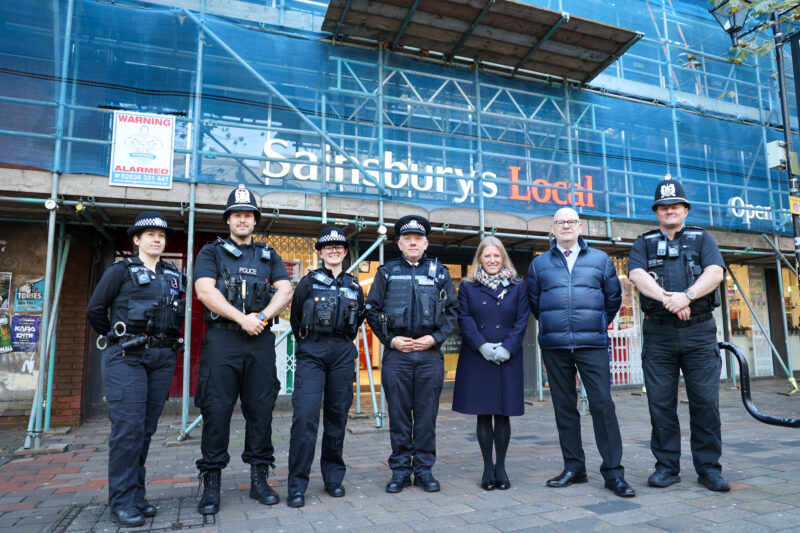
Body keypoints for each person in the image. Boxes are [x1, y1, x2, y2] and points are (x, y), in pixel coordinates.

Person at [193, 184, 293, 514]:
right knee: (217, 410)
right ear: (228, 220)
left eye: (248, 215)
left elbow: (286, 289)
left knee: (261, 410)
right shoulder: (211, 252)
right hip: (224, 339)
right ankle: (212, 483)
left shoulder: (268, 254)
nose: (242, 220)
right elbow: (205, 291)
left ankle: (259, 480)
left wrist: (261, 317)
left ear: (254, 220)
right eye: (237, 215)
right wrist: (242, 318)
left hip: (259, 339)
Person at [527, 207, 635, 498]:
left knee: (602, 406)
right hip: (555, 345)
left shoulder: (600, 259)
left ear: (580, 226)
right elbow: (535, 303)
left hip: (592, 344)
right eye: (560, 222)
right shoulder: (539, 265)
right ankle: (574, 468)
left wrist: (597, 323)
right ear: (552, 227)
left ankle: (614, 473)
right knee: (564, 408)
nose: (565, 226)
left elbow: (613, 298)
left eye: (571, 222)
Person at [628, 176, 728, 492]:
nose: (669, 210)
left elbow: (715, 273)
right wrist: (670, 300)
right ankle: (667, 467)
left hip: (698, 332)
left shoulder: (703, 239)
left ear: (685, 209)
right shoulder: (643, 242)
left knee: (705, 404)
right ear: (656, 212)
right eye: (663, 207)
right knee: (660, 404)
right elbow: (636, 274)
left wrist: (687, 296)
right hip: (659, 334)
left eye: (675, 206)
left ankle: (709, 468)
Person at [86, 211, 185, 528]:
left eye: (162, 234)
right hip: (126, 357)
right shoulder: (121, 271)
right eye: (150, 234)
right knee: (127, 430)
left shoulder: (172, 275)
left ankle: (136, 496)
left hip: (161, 358)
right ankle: (122, 502)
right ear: (137, 240)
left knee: (145, 430)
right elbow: (95, 310)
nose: (157, 238)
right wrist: (116, 337)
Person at [365, 215, 458, 493]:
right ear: (401, 244)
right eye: (408, 239)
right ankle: (401, 471)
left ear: (426, 243)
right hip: (398, 356)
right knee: (399, 415)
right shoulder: (386, 272)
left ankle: (425, 470)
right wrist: (391, 341)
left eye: (418, 239)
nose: (413, 243)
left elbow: (453, 312)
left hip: (430, 356)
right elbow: (371, 310)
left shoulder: (440, 272)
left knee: (427, 416)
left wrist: (435, 338)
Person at [285, 227, 365, 508]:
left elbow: (356, 324)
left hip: (342, 353)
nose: (334, 250)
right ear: (320, 252)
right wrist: (313, 345)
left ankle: (333, 478)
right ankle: (296, 484)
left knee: (337, 417)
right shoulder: (308, 283)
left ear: (345, 252)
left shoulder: (355, 286)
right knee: (305, 417)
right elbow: (296, 319)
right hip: (313, 353)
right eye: (328, 247)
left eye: (339, 246)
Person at [452, 236, 529, 491]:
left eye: (497, 256)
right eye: (487, 256)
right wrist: (482, 346)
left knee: (503, 413)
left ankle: (501, 467)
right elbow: (464, 318)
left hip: (508, 355)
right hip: (478, 355)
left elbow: (521, 320)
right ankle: (487, 467)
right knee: (484, 414)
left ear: (503, 258)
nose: (492, 260)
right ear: (480, 259)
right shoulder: (467, 286)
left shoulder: (518, 285)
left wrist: (507, 347)